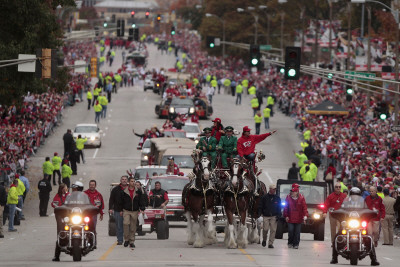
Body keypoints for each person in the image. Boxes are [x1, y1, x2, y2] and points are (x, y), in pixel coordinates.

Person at [119, 177, 146, 248]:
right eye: (131, 181)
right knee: (125, 223)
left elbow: (141, 200)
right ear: (129, 182)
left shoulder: (138, 191)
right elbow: (121, 202)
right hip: (126, 210)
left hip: (135, 211)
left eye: (134, 181)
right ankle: (126, 239)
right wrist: (120, 210)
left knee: (133, 227)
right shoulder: (124, 191)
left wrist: (142, 209)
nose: (133, 183)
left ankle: (131, 241)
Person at [283, 183, 308, 249]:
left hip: (298, 218)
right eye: (292, 191)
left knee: (297, 232)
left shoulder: (302, 198)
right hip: (290, 218)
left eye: (294, 191)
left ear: (297, 192)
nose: (292, 193)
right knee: (291, 231)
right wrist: (286, 216)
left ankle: (296, 244)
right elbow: (286, 207)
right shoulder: (288, 197)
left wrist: (305, 216)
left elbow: (304, 207)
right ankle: (290, 242)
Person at [258, 184, 281, 248]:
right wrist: (260, 215)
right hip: (266, 215)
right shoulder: (264, 197)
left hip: (274, 216)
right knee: (265, 229)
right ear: (270, 189)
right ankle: (264, 239)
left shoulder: (277, 198)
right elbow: (260, 206)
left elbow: (279, 207)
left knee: (273, 230)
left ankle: (270, 243)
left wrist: (279, 215)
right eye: (273, 189)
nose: (274, 190)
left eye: (275, 189)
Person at [51, 183, 69, 262]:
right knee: (61, 233)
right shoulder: (58, 196)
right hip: (60, 216)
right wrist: (58, 206)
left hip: (69, 216)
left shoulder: (69, 195)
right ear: (62, 189)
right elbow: (53, 203)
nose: (66, 189)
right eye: (65, 188)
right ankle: (56, 255)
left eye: (66, 188)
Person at [109, 175, 128, 245]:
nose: (124, 180)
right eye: (123, 179)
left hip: (128, 211)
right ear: (120, 181)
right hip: (117, 210)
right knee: (119, 226)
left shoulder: (130, 189)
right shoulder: (115, 189)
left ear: (127, 181)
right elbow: (111, 199)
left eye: (125, 179)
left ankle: (128, 240)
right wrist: (110, 208)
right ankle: (120, 240)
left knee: (127, 226)